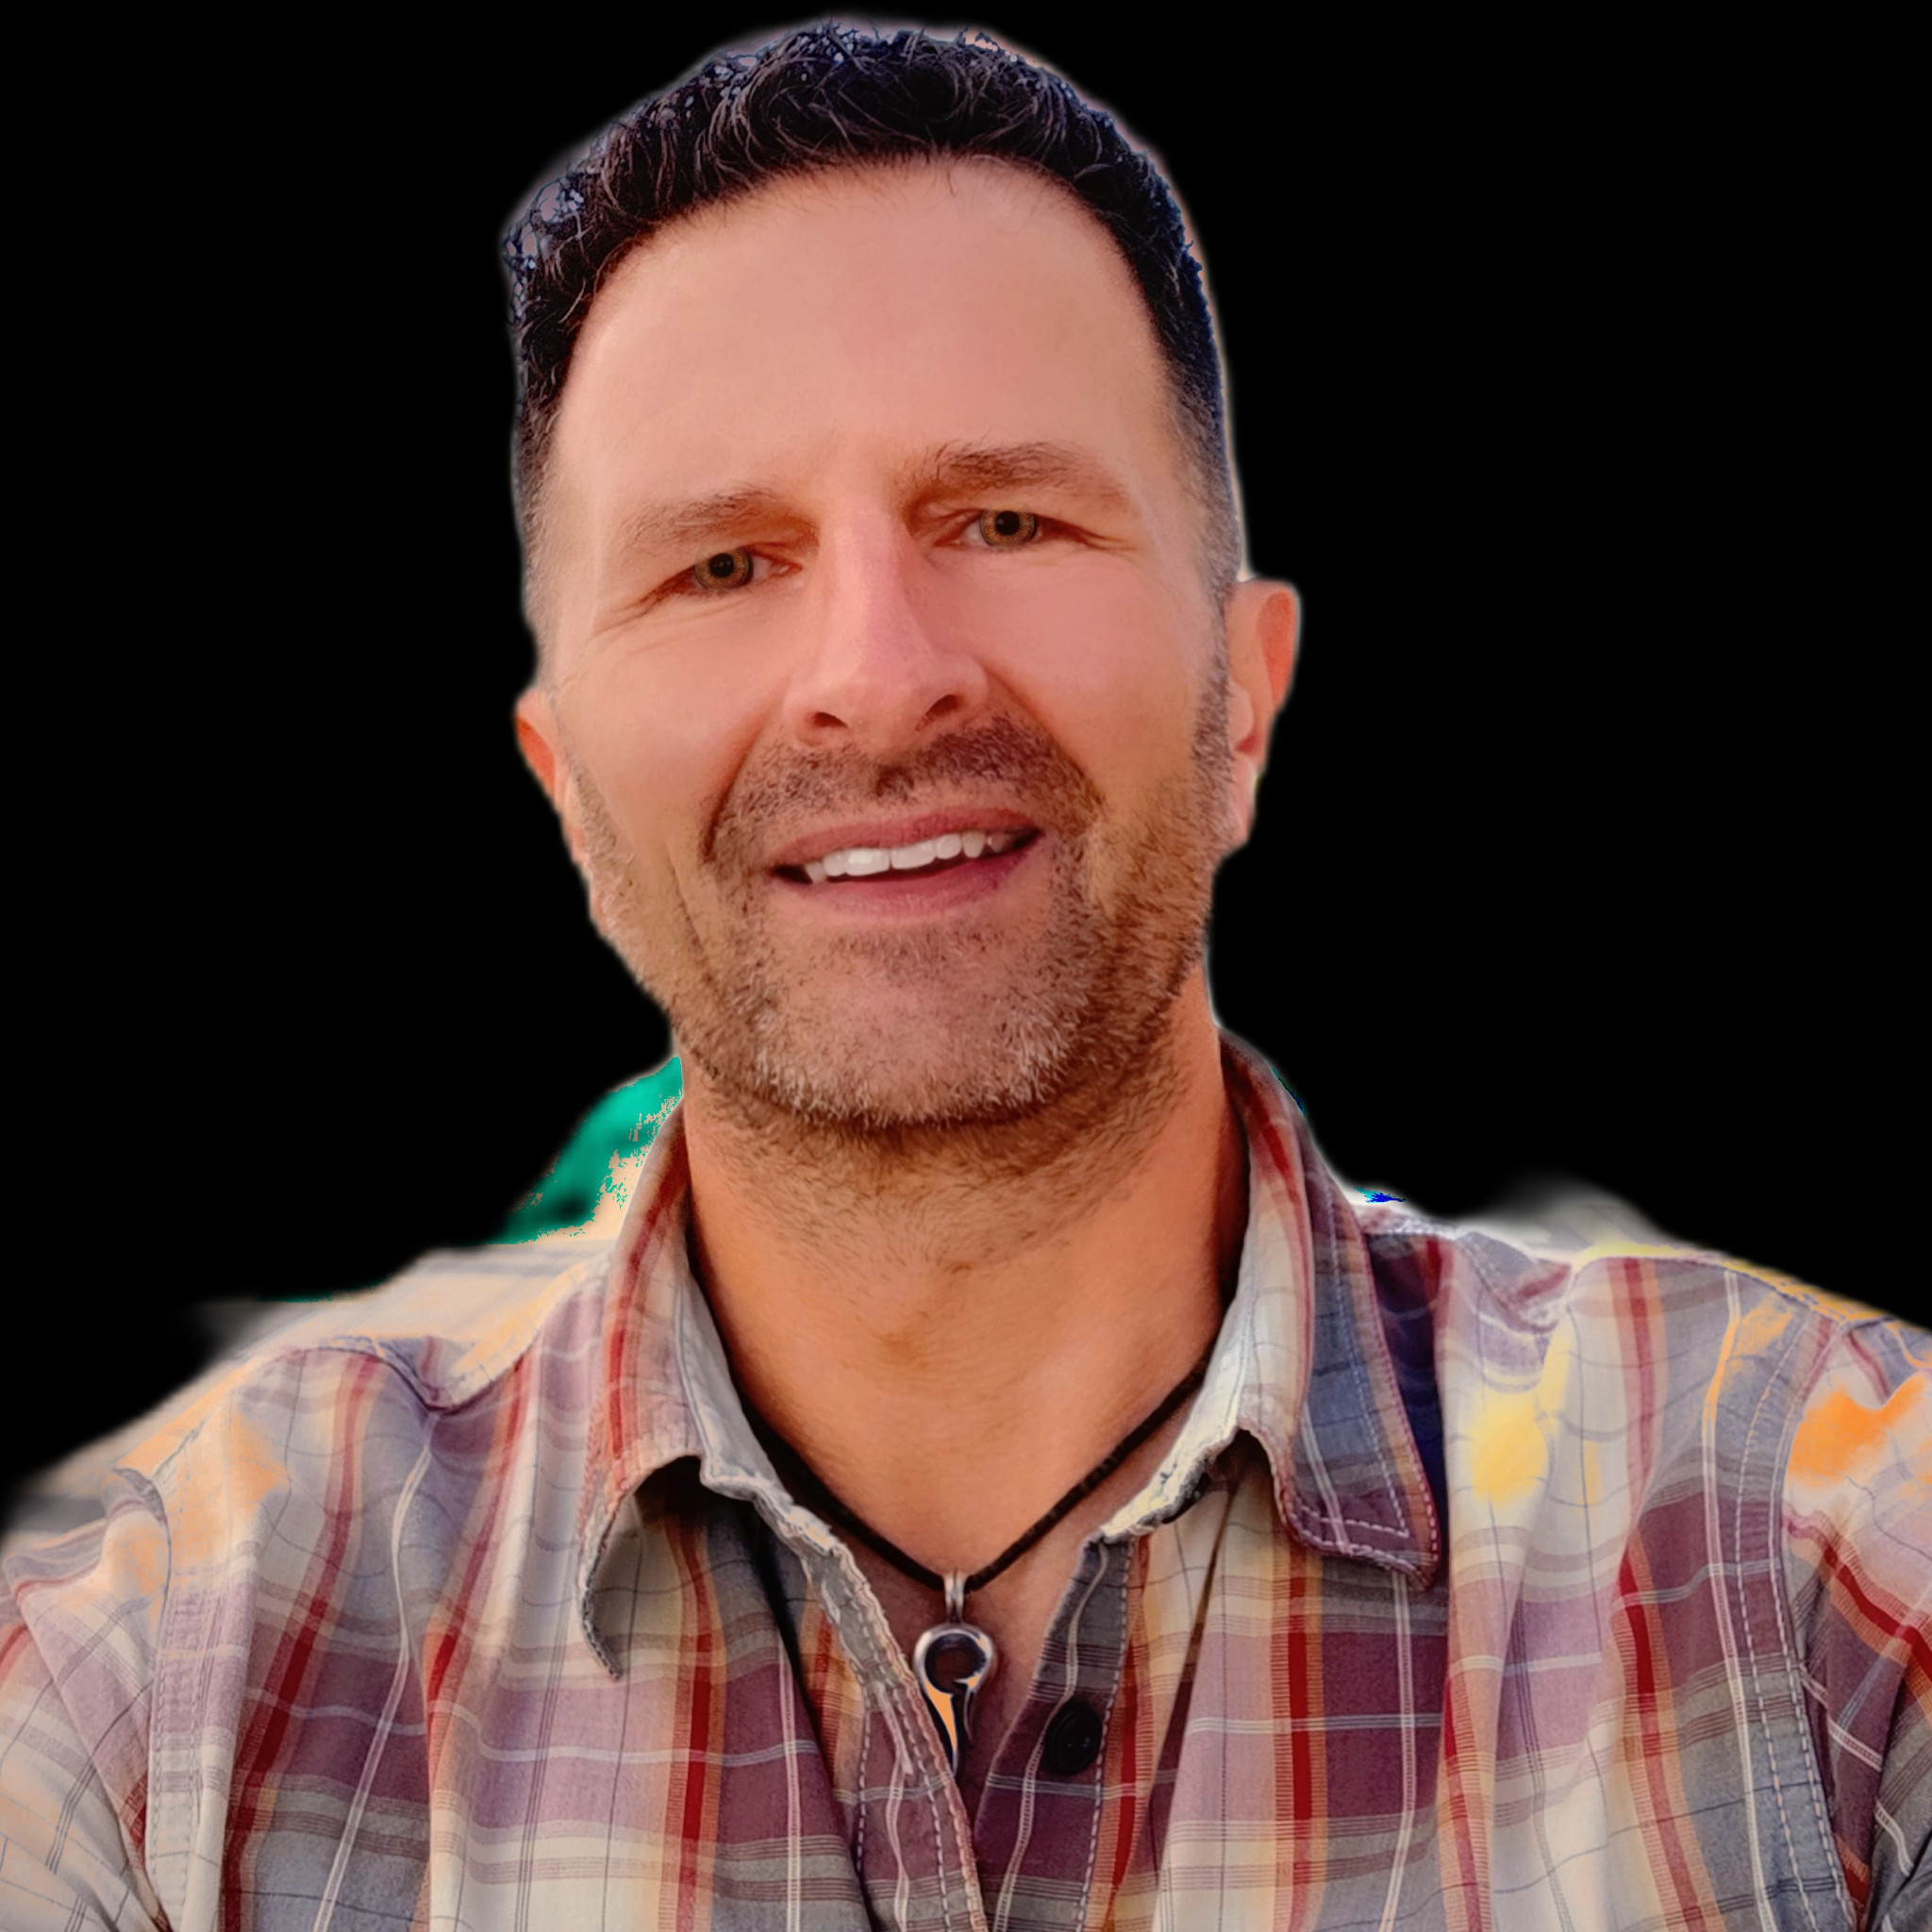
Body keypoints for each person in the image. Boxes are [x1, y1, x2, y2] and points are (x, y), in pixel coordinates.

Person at [3, 25, 1924, 1929]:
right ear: (565, 789)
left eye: (1005, 519)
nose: (879, 673)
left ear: (1245, 701)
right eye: (723, 565)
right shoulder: (156, 1685)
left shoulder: (1823, 1563)